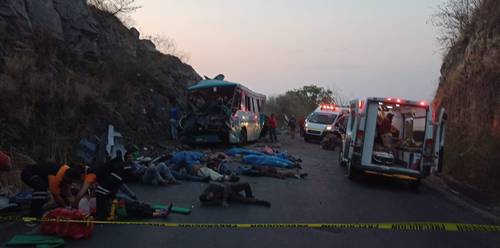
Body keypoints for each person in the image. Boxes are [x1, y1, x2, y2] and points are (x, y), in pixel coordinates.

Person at [73, 154, 134, 219]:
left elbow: (80, 194)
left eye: (79, 179)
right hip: (122, 171)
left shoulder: (90, 175)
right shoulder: (95, 169)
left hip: (118, 173)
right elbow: (94, 189)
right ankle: (122, 212)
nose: (81, 181)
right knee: (111, 194)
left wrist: (74, 206)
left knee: (100, 191)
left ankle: (101, 216)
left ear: (82, 174)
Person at [199, 182, 270, 208]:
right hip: (231, 196)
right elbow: (217, 202)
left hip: (230, 187)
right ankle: (261, 202)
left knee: (246, 184)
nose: (210, 195)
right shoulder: (212, 201)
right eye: (209, 197)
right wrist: (205, 203)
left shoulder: (211, 187)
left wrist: (224, 200)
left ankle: (250, 196)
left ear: (207, 192)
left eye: (209, 194)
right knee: (246, 200)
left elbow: (224, 187)